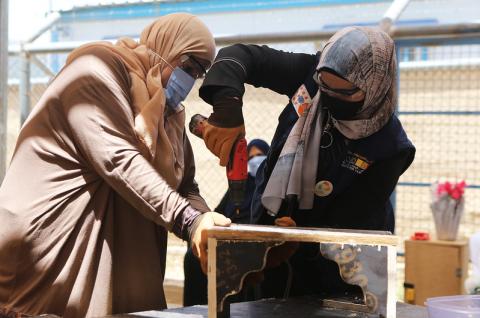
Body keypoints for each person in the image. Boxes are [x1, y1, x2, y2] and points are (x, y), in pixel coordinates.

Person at [0, 13, 231, 317]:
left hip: (120, 266)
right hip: (51, 253)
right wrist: (187, 221)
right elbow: (118, 159)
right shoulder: (94, 70)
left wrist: (216, 233)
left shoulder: (169, 117)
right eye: (187, 66)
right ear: (164, 47)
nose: (188, 80)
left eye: (198, 74)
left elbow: (186, 187)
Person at [198, 27, 416, 299]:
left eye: (345, 93)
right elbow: (237, 56)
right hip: (274, 243)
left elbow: (348, 225)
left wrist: (296, 240)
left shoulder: (389, 148)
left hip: (342, 268)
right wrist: (227, 107)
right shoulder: (311, 75)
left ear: (375, 87)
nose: (328, 98)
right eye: (324, 86)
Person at [183, 138, 270, 306]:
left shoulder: (269, 188)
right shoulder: (237, 189)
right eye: (250, 158)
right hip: (227, 239)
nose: (255, 161)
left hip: (252, 242)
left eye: (260, 155)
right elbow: (218, 213)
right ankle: (196, 309)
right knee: (192, 258)